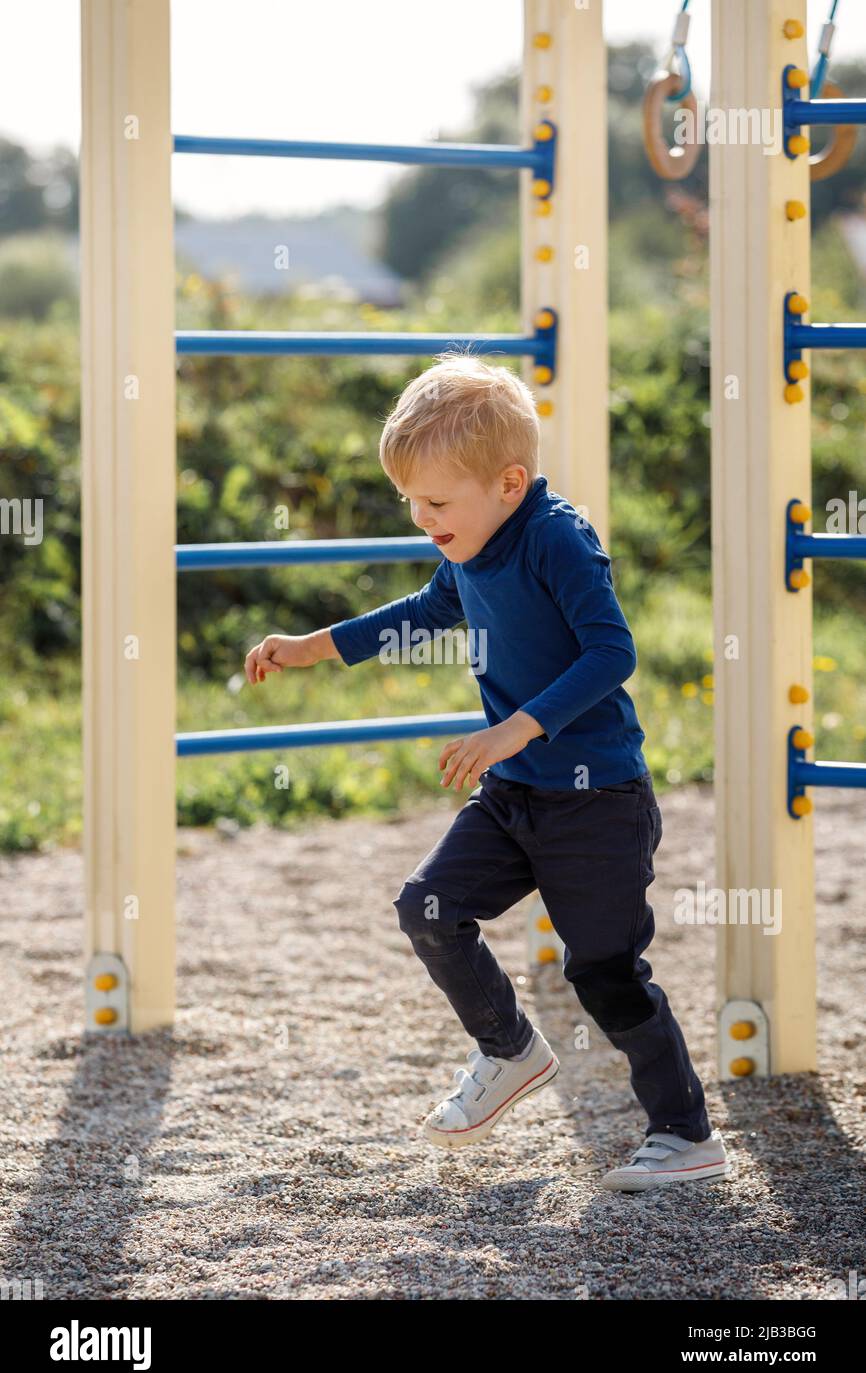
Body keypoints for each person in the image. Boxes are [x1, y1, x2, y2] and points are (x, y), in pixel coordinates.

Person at [244, 353, 729, 1192]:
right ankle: (509, 1050)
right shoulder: (471, 547)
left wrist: (514, 728)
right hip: (515, 797)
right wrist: (310, 648)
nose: (423, 518)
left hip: (597, 800)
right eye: (411, 502)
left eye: (436, 502)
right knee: (426, 909)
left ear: (509, 483)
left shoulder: (553, 539)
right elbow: (421, 612)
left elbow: (613, 651)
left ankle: (685, 1133)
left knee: (604, 972)